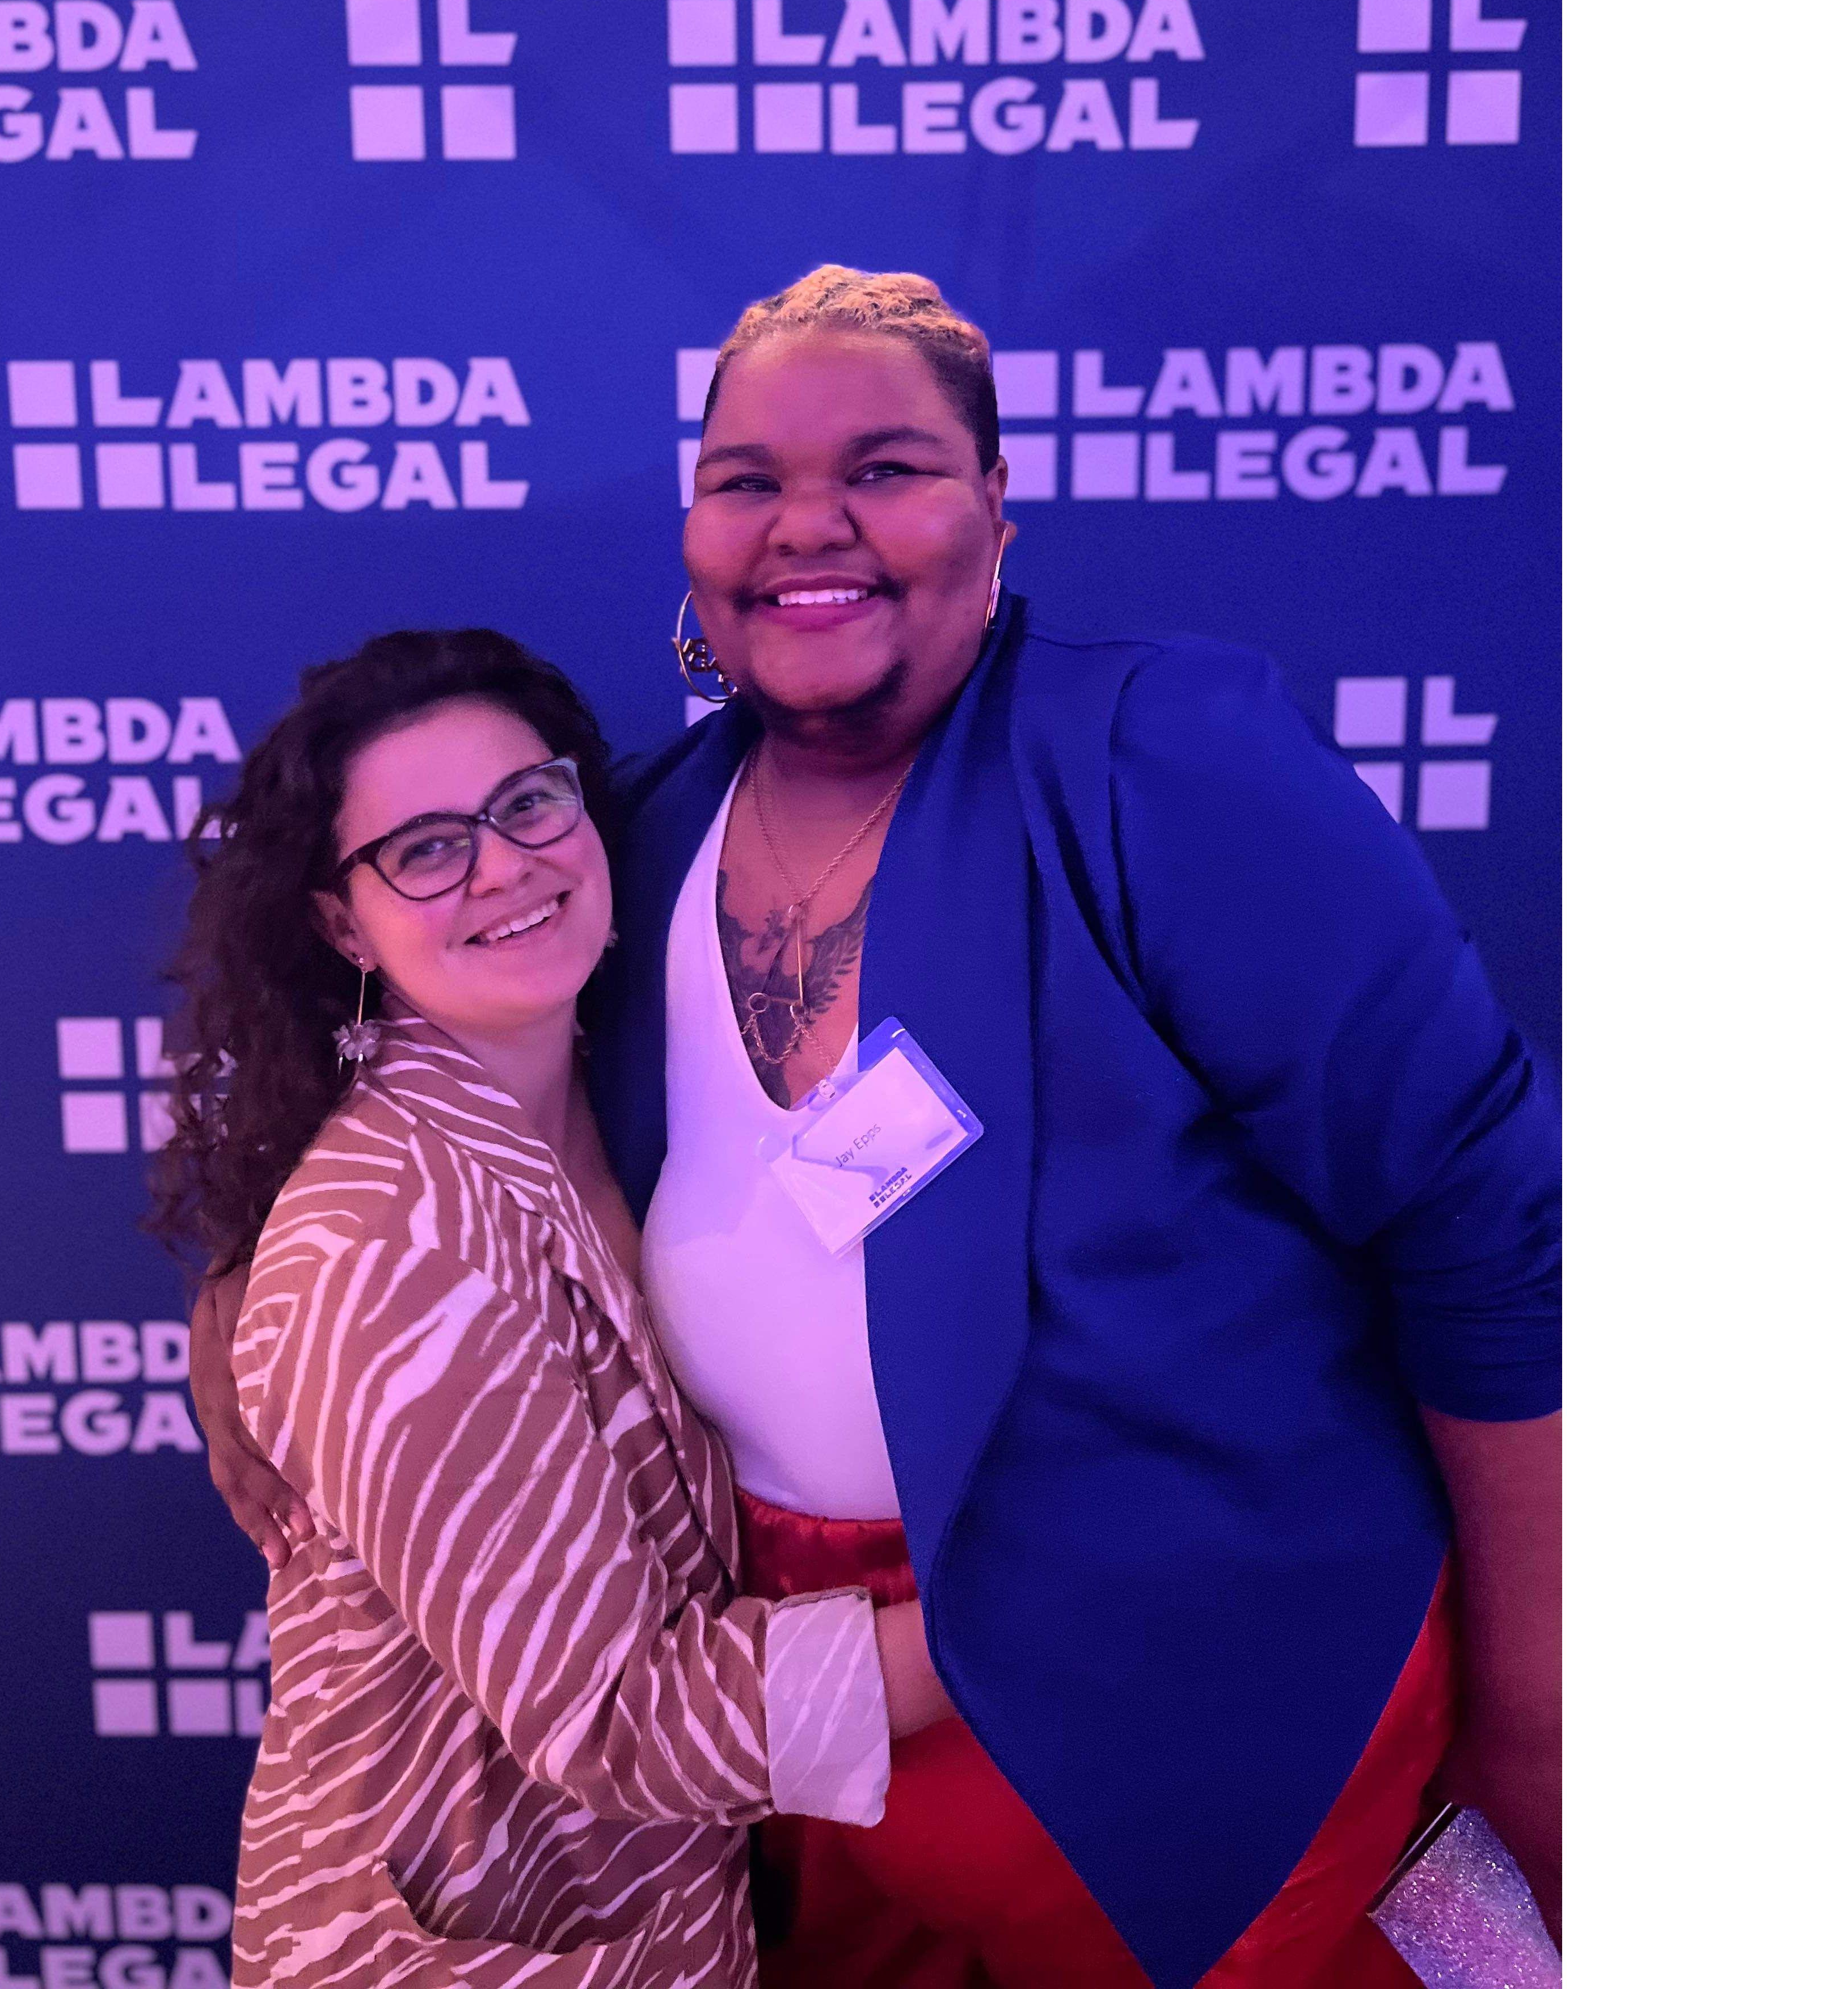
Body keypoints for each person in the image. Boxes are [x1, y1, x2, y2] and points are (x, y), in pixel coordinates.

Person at [192, 269, 1562, 1989]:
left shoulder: (1158, 758)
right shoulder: (642, 839)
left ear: (996, 504)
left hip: (1196, 1728)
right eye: (747, 479)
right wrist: (256, 1309)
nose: (807, 524)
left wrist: (1547, 1709)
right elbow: (438, 1145)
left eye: (889, 467)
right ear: (692, 534)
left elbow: (1486, 1231)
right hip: (788, 1791)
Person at [146, 630, 957, 1989]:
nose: (505, 867)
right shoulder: (390, 1249)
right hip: (460, 1944)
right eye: (424, 848)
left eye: (528, 804)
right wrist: (1044, 1614)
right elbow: (622, 1720)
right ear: (344, 921)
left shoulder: (627, 1067)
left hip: (678, 1901)